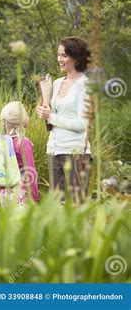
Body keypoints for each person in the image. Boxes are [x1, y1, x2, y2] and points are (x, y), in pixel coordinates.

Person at [37, 36, 92, 202]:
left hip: (76, 153)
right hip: (54, 149)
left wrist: (51, 117)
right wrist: (44, 111)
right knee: (56, 207)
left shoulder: (85, 85)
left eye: (64, 55)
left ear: (76, 58)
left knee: (77, 206)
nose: (59, 59)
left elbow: (82, 124)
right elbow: (53, 116)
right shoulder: (57, 82)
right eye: (58, 55)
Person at [0, 101, 39, 205]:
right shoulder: (23, 143)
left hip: (4, 194)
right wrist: (34, 197)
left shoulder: (0, 142)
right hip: (22, 194)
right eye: (25, 112)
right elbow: (30, 172)